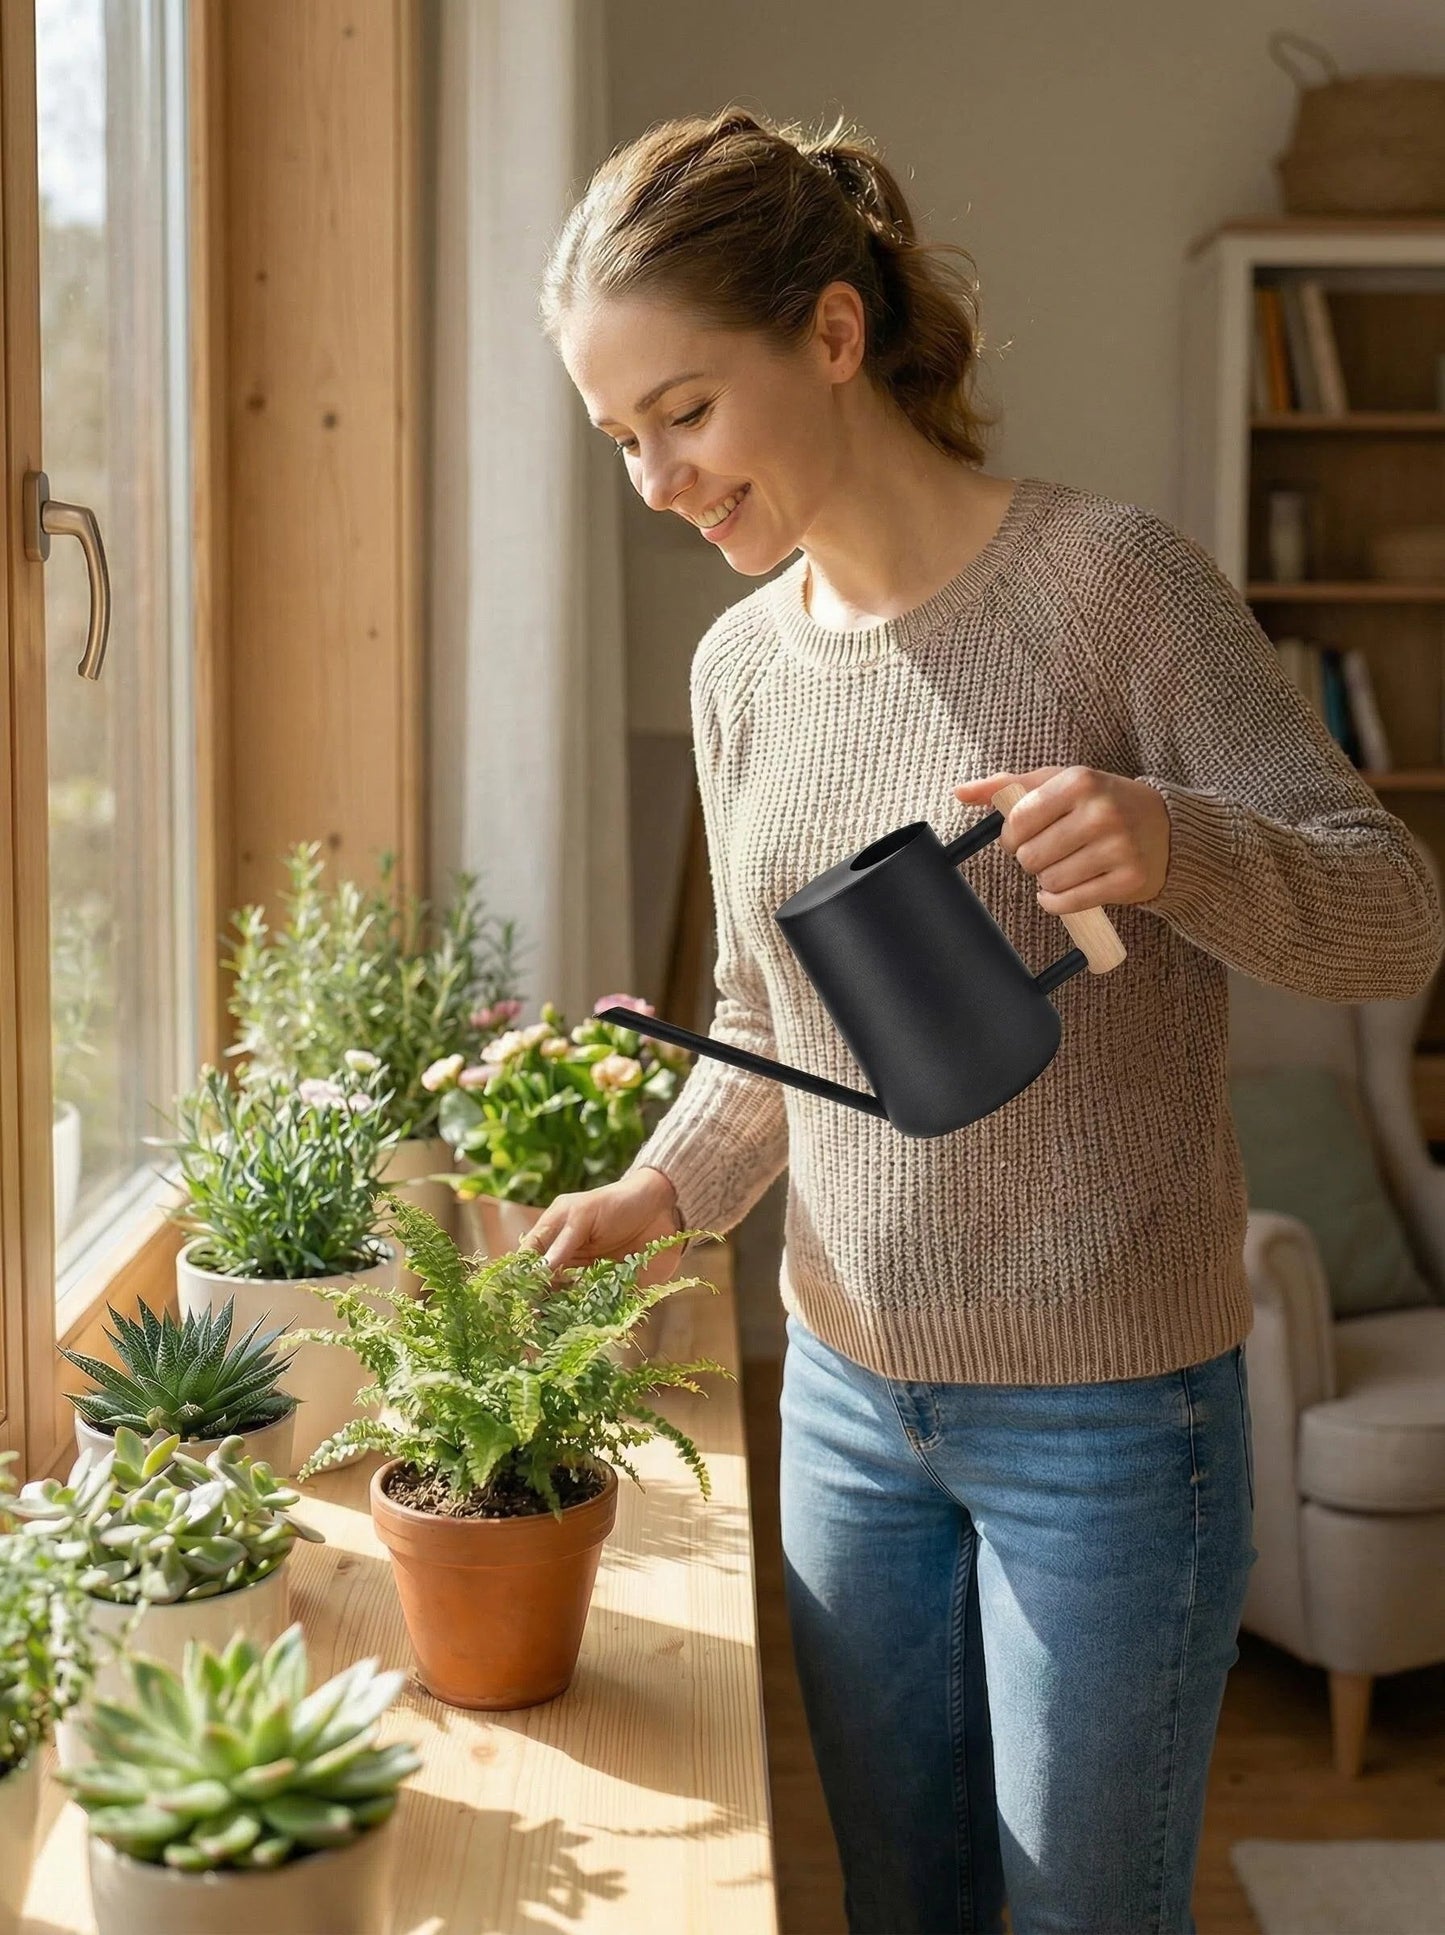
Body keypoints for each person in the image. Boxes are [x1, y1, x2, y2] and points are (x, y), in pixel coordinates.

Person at [522, 106, 1444, 1935]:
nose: (654, 480)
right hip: (850, 1407)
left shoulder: (1113, 585)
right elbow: (769, 1023)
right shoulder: (737, 673)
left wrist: (1175, 843)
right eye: (619, 436)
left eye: (684, 412)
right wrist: (656, 1194)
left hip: (1112, 1425)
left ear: (836, 335)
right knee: (906, 1908)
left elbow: (1386, 910)